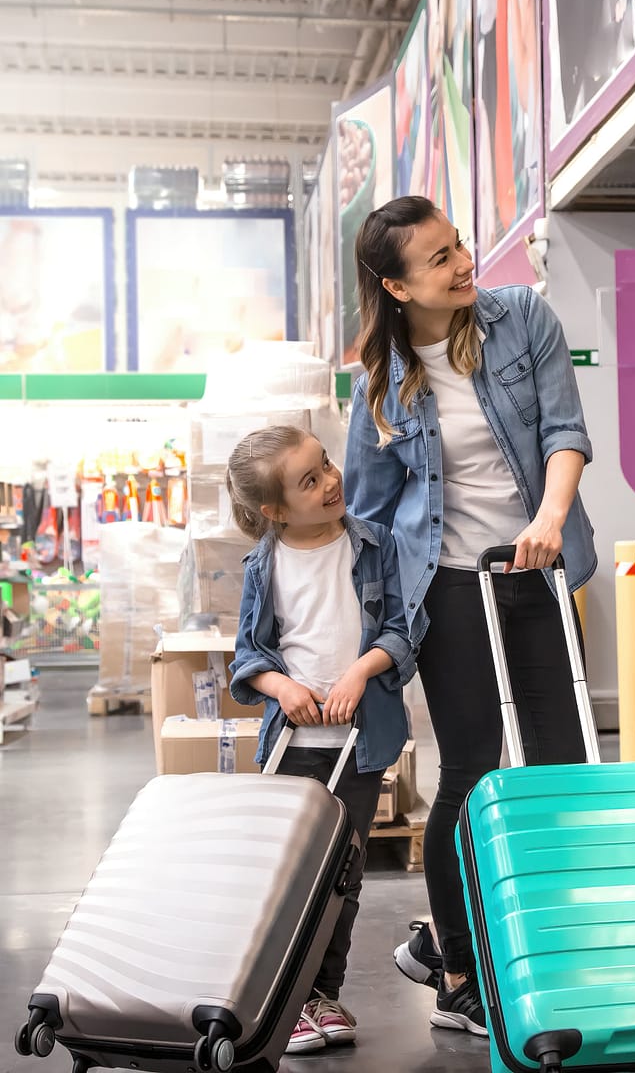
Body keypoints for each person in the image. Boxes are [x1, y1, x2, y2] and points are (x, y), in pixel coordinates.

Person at [343, 195, 596, 1036]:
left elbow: (564, 428)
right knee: (472, 771)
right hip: (447, 588)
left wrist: (551, 517)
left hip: (538, 568)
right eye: (439, 258)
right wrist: (372, 637)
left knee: (561, 771)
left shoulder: (519, 317)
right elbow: (370, 518)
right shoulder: (379, 383)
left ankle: (558, 950)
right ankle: (455, 968)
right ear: (396, 285)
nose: (463, 263)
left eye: (458, 244)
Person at [227, 425, 416, 1055]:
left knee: (345, 874)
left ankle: (323, 996)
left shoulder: (374, 544)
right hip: (295, 746)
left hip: (358, 745)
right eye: (310, 480)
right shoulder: (264, 563)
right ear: (274, 511)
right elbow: (249, 657)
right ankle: (290, 999)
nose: (332, 480)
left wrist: (361, 673)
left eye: (327, 464)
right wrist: (284, 690)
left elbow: (401, 631)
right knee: (291, 878)